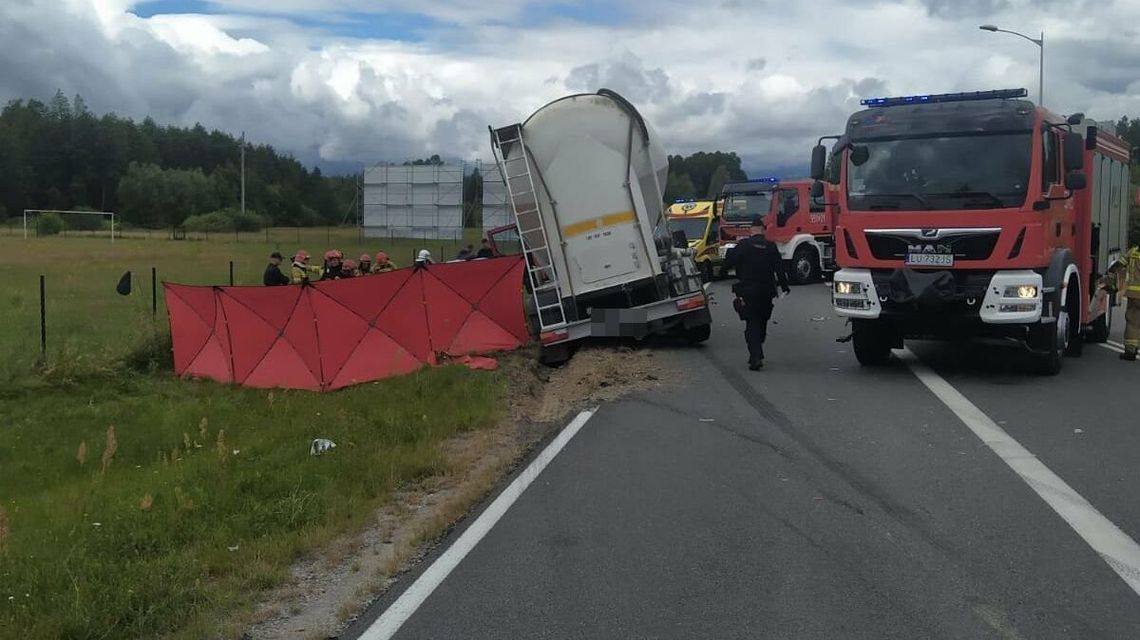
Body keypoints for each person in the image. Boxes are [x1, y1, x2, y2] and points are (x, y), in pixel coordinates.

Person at [723, 215, 790, 370]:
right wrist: (785, 286)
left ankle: (755, 356)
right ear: (763, 230)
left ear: (750, 230)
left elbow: (728, 263)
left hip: (748, 291)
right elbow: (779, 269)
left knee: (751, 322)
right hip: (767, 291)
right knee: (762, 320)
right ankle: (757, 348)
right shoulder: (771, 246)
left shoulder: (743, 245)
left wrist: (723, 271)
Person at [1107, 245, 1140, 361]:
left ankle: (1131, 350)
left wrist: (1110, 273)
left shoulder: (1133, 252)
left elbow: (1118, 264)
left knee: (1133, 322)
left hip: (1134, 295)